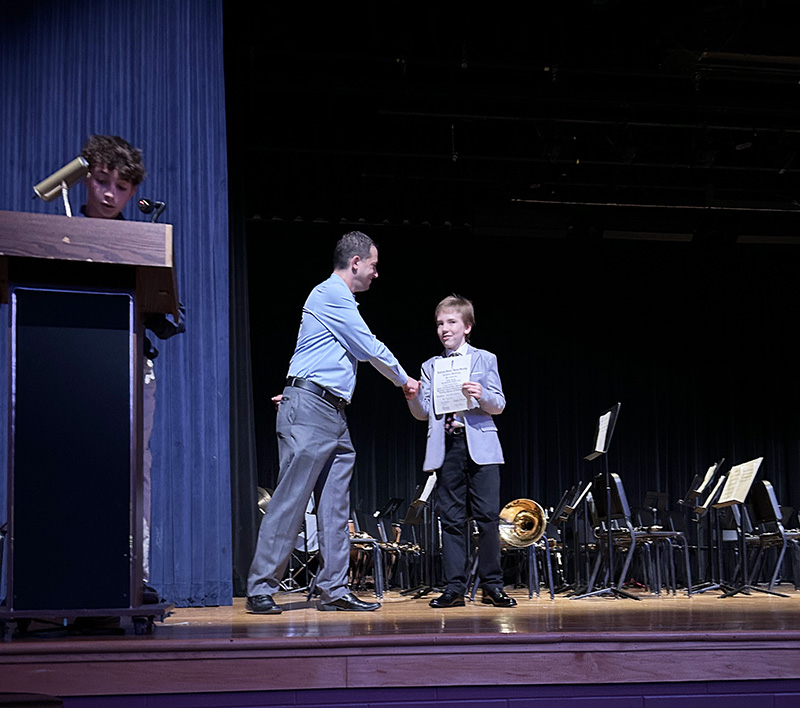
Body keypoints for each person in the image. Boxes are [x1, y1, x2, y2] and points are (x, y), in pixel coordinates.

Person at [246, 231, 419, 614]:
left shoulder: (339, 301)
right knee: (291, 501)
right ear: (355, 262)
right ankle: (261, 586)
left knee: (336, 508)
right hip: (311, 408)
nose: (377, 274)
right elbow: (366, 345)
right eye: (373, 265)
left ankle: (335, 589)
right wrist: (403, 379)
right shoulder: (330, 294)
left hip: (333, 412)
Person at [79, 135, 184, 600]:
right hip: (73, 375)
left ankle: (131, 578)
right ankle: (56, 574)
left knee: (133, 474)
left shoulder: (139, 243)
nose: (109, 195)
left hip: (131, 369)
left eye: (121, 188)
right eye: (102, 182)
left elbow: (163, 307)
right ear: (87, 177)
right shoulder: (56, 234)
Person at [405, 295, 515, 608]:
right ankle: (454, 588)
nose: (444, 329)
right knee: (450, 520)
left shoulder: (484, 359)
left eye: (451, 322)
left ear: (467, 326)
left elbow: (499, 404)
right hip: (447, 447)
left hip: (480, 445)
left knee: (487, 518)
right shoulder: (430, 366)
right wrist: (412, 396)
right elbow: (424, 412)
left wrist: (481, 395)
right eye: (440, 323)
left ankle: (493, 586)